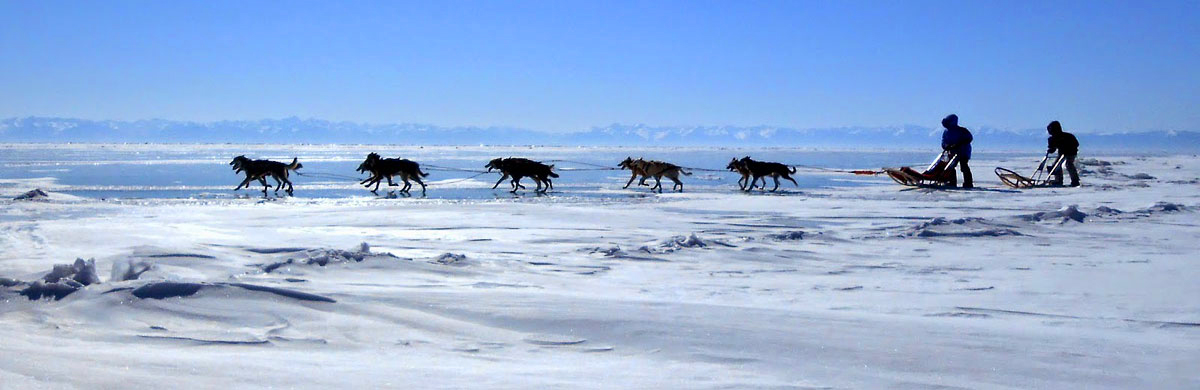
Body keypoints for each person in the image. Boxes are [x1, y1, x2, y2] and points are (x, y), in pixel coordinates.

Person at [940, 114, 973, 188]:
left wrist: (959, 144)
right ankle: (952, 182)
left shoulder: (962, 130)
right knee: (950, 167)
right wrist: (946, 146)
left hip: (963, 152)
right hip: (952, 152)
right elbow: (943, 141)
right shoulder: (946, 131)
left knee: (964, 166)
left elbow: (969, 138)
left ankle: (968, 183)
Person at [1046, 120, 1080, 186]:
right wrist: (1050, 150)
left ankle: (1075, 181)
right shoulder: (1052, 139)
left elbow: (1076, 144)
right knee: (1055, 165)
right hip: (1062, 153)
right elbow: (1052, 149)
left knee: (1069, 164)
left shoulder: (1068, 136)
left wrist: (1068, 148)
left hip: (1071, 152)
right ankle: (1058, 180)